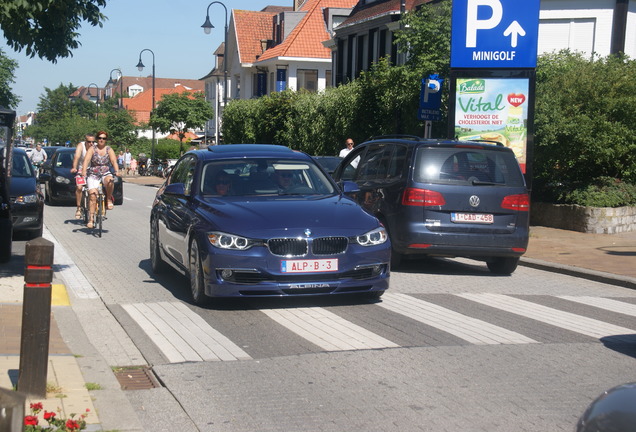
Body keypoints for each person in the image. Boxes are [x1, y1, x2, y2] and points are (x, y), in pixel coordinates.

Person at [81, 131, 119, 228]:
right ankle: (91, 219)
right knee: (93, 195)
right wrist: (84, 171)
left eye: (104, 138)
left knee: (110, 181)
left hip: (105, 172)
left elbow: (114, 161)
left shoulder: (109, 150)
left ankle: (109, 199)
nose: (101, 140)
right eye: (99, 138)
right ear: (97, 139)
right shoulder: (92, 149)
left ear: (106, 140)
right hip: (93, 174)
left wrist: (117, 170)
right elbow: (86, 160)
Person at [70, 134, 96, 219]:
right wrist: (74, 167)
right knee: (79, 187)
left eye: (93, 142)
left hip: (92, 170)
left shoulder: (96, 147)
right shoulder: (81, 146)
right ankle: (78, 208)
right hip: (81, 170)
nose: (91, 143)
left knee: (98, 187)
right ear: (85, 141)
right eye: (89, 142)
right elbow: (76, 157)